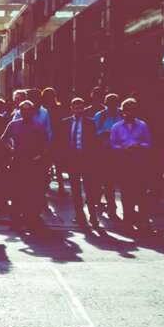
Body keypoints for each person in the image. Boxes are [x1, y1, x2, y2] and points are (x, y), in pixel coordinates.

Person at [1, 101, 51, 232]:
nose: (26, 112)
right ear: (20, 111)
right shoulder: (14, 124)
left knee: (32, 191)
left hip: (33, 162)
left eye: (29, 110)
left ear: (33, 112)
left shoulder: (38, 126)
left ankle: (31, 219)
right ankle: (16, 219)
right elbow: (3, 139)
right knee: (16, 191)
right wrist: (10, 149)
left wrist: (39, 157)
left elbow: (46, 145)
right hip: (17, 160)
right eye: (23, 109)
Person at [110, 98, 154, 231]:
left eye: (132, 110)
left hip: (139, 161)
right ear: (122, 112)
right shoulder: (116, 127)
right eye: (127, 110)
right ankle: (127, 221)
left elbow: (148, 142)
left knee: (141, 192)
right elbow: (113, 144)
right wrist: (122, 148)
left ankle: (143, 221)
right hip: (124, 162)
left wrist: (139, 146)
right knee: (126, 192)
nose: (129, 113)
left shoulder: (142, 125)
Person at [62, 97, 101, 229]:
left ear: (84, 108)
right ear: (71, 108)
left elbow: (95, 142)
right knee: (75, 189)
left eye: (80, 107)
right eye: (75, 107)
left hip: (87, 159)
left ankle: (93, 215)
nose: (78, 109)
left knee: (90, 188)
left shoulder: (91, 123)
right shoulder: (65, 123)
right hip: (73, 159)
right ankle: (79, 215)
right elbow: (62, 143)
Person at [93, 93, 124, 218]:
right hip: (103, 150)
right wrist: (103, 132)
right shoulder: (99, 116)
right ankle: (110, 207)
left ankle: (116, 207)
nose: (111, 108)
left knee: (116, 181)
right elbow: (93, 132)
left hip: (120, 151)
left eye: (114, 105)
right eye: (109, 105)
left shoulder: (122, 114)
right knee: (107, 180)